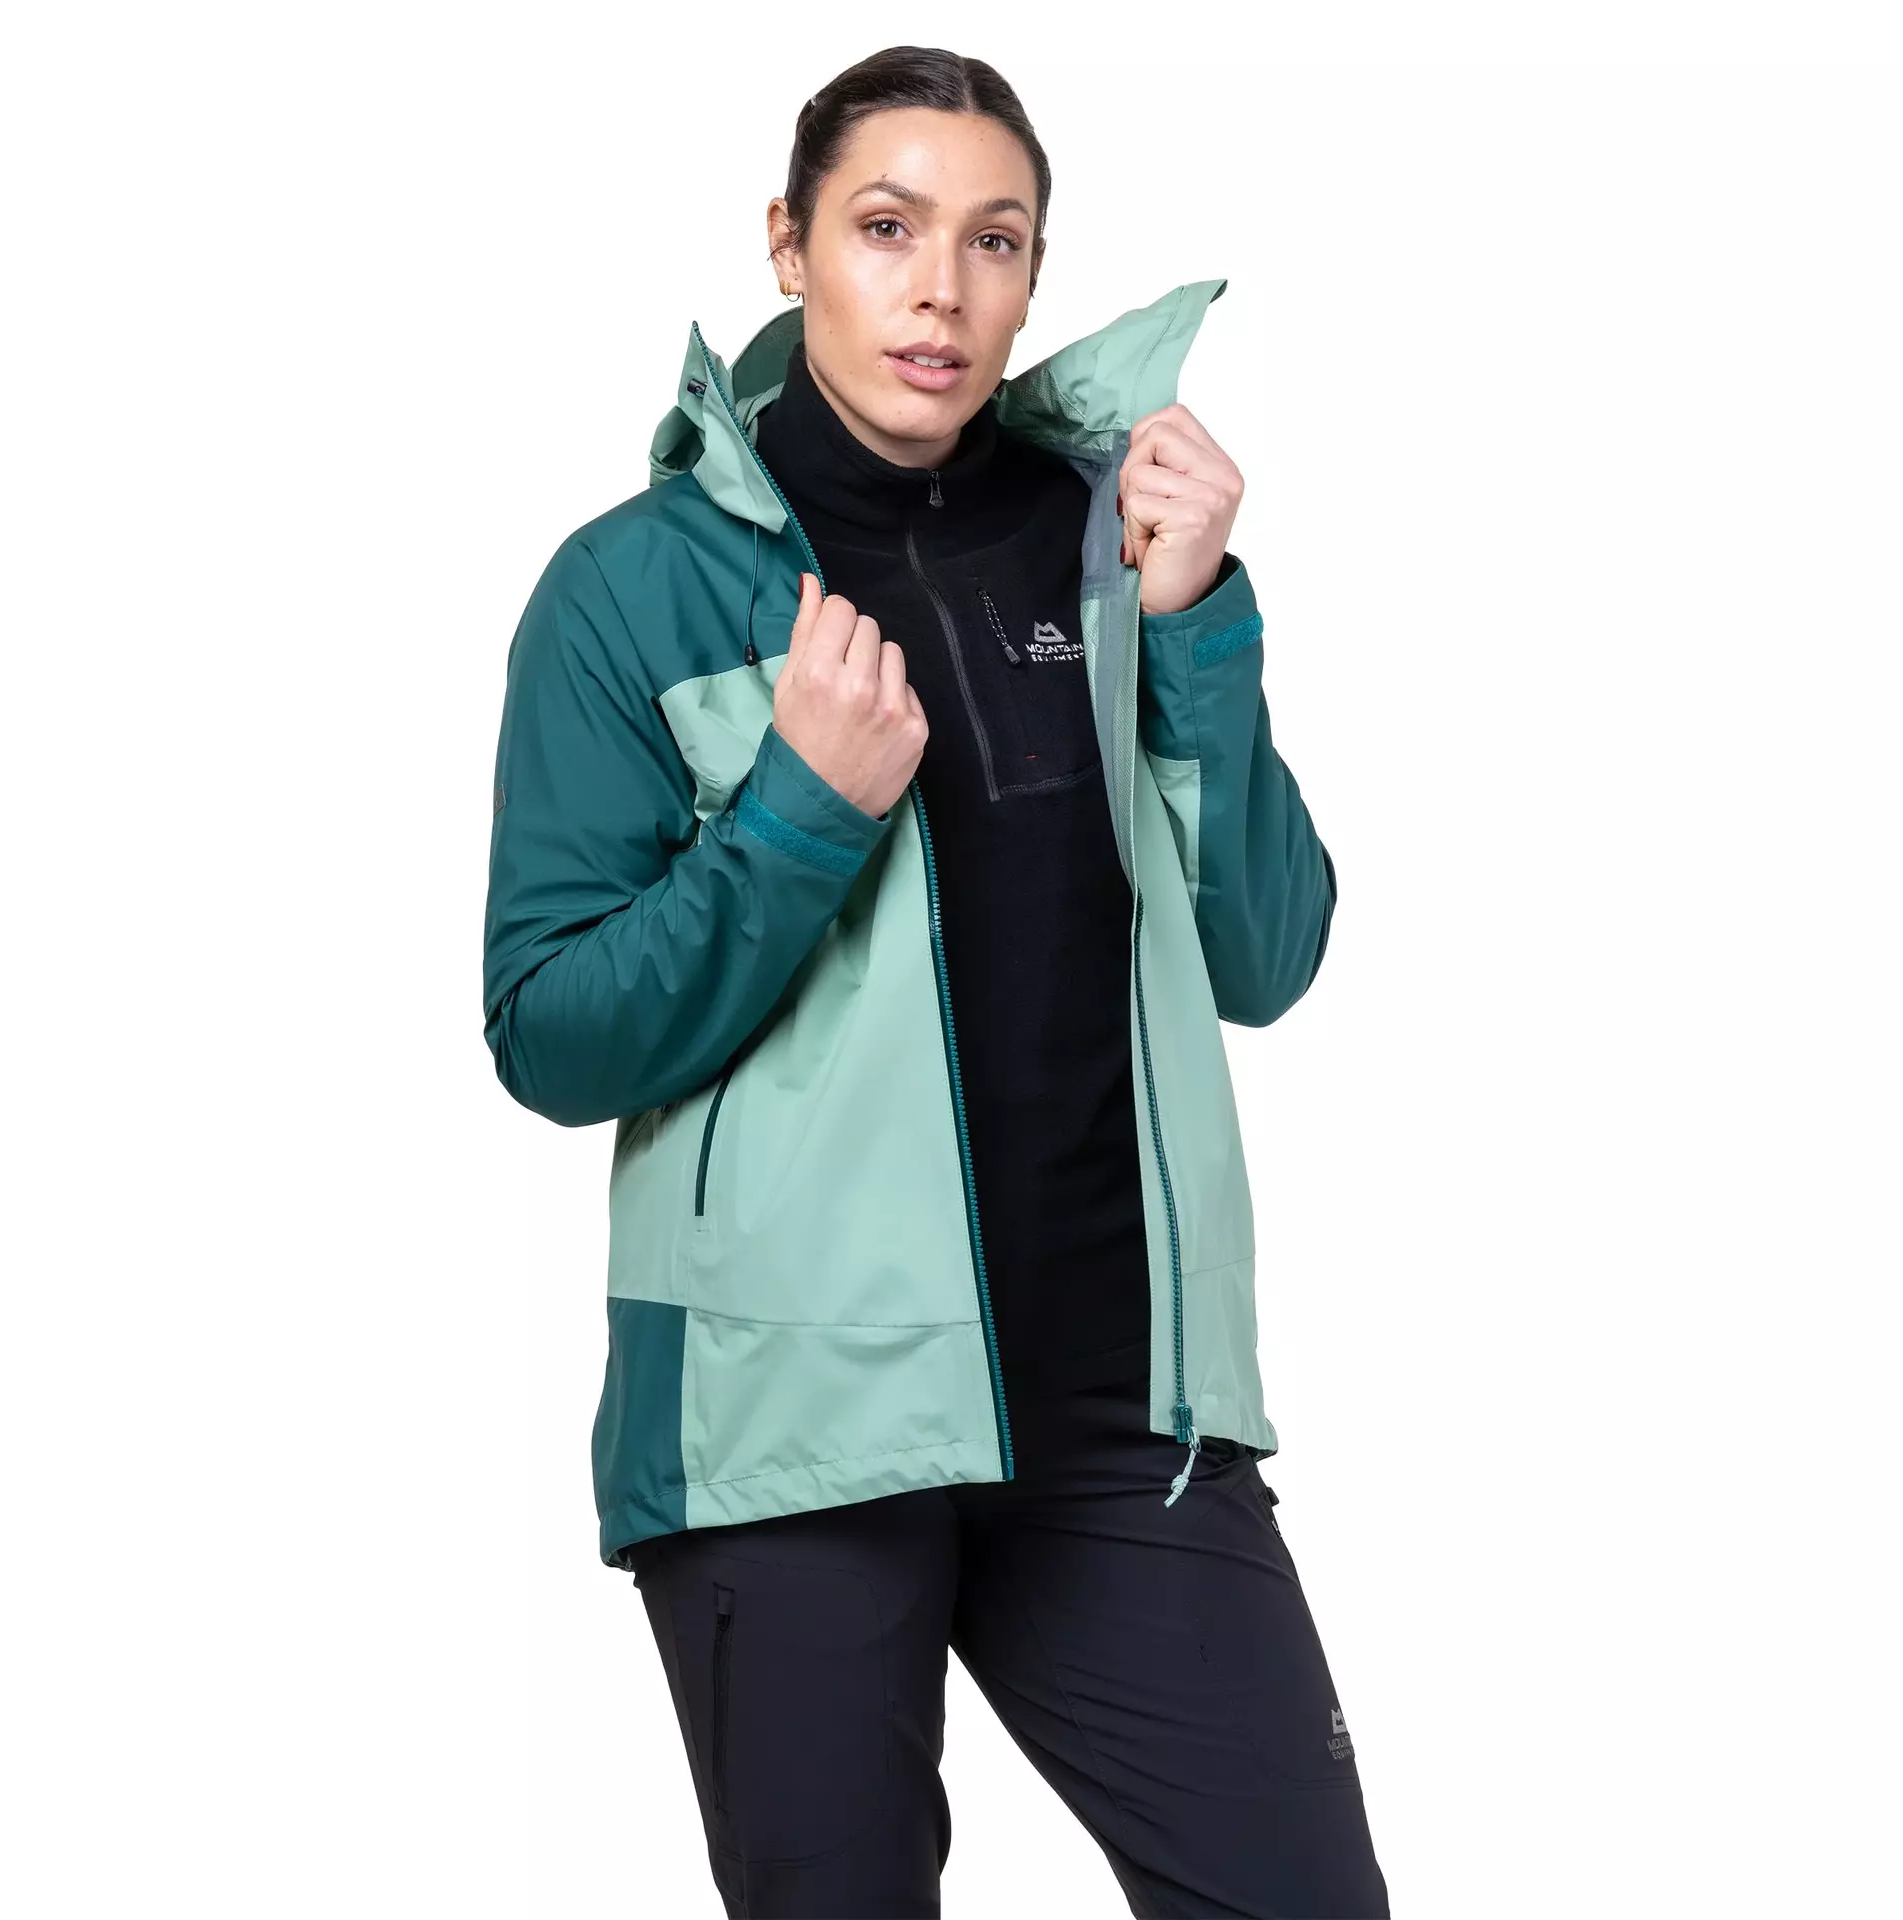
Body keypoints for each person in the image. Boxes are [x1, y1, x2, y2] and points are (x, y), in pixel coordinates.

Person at [480, 43, 1385, 1920]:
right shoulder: (631, 593)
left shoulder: (1116, 548)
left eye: (996, 240)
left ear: (1035, 272)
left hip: (1121, 1417)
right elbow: (551, 1032)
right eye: (886, 228)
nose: (942, 290)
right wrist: (798, 816)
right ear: (790, 245)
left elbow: (1270, 955)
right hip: (786, 1432)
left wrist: (1203, 627)